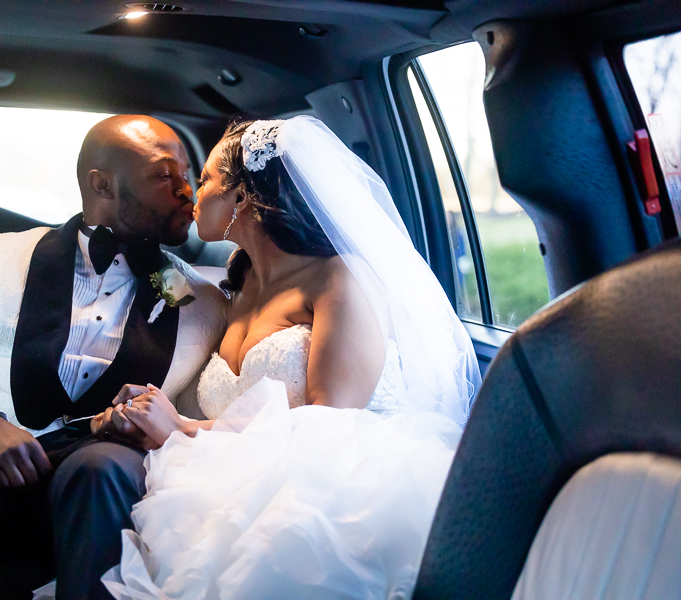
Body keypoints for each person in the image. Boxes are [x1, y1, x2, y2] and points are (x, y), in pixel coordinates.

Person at [94, 116, 482, 599]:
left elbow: (332, 419)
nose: (192, 192)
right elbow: (170, 310)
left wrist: (183, 429)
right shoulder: (235, 288)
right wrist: (144, 408)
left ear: (242, 197)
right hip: (224, 486)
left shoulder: (341, 279)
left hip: (335, 497)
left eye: (208, 178)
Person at [0, 115, 228, 600]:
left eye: (189, 174)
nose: (187, 191)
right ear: (101, 184)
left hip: (114, 486)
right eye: (166, 175)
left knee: (97, 470)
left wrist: (157, 424)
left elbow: (207, 425)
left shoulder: (204, 301)